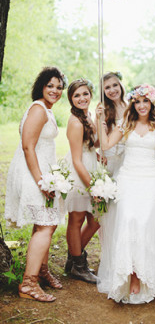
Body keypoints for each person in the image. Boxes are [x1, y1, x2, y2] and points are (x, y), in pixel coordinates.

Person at [96, 84, 155, 304]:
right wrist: (99, 121)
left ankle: (142, 276)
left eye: (145, 101)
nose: (141, 105)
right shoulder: (125, 124)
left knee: (146, 223)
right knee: (128, 220)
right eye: (137, 101)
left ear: (151, 103)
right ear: (133, 104)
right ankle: (128, 275)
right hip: (128, 178)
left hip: (150, 179)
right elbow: (106, 144)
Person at [5, 66, 67, 302]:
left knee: (44, 225)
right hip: (33, 174)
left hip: (42, 172)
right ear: (41, 86)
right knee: (45, 226)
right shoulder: (39, 110)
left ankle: (40, 271)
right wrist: (41, 180)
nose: (55, 90)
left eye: (59, 87)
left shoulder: (47, 110)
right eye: (50, 85)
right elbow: (28, 146)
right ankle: (29, 283)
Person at [64, 79, 101, 284]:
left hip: (90, 166)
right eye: (77, 95)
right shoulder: (75, 122)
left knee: (95, 220)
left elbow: (93, 143)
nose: (82, 98)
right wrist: (92, 186)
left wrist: (101, 121)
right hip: (80, 172)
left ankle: (74, 257)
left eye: (85, 94)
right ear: (71, 98)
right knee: (76, 220)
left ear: (90, 94)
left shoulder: (87, 116)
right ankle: (78, 264)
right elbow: (77, 160)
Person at [98, 72, 127, 177]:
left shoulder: (130, 107)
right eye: (107, 87)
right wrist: (103, 132)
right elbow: (97, 141)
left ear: (120, 85)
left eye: (115, 85)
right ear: (103, 91)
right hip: (108, 156)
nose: (112, 90)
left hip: (125, 156)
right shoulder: (102, 109)